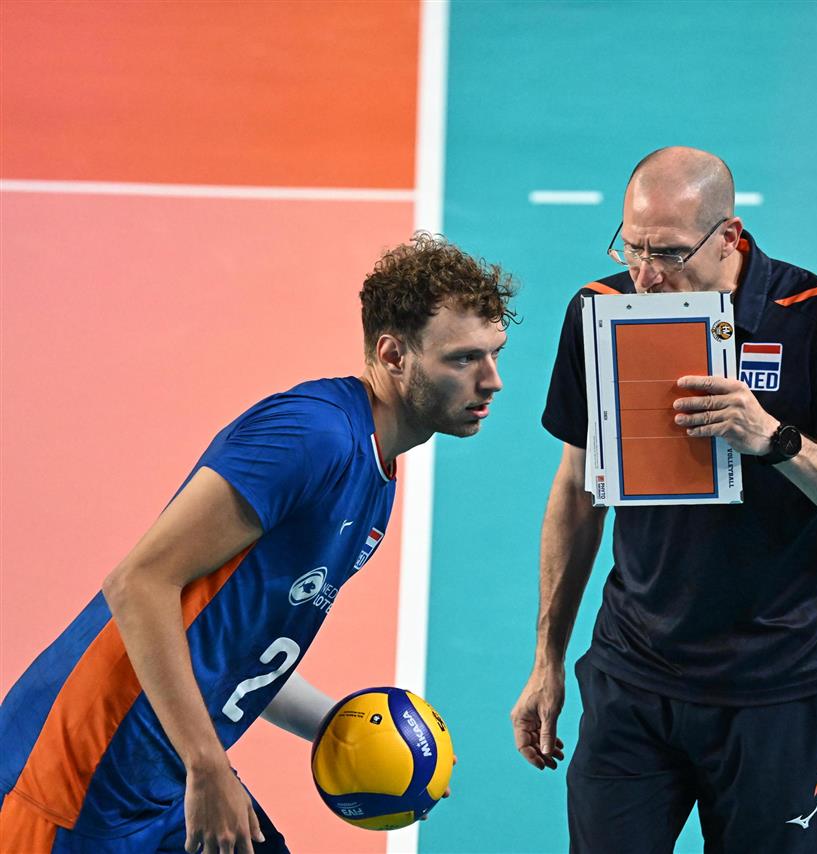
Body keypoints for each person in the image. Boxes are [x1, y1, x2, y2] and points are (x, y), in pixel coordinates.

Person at [0, 233, 514, 854]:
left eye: (494, 353)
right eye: (464, 359)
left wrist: (340, 728)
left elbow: (238, 649)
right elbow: (138, 583)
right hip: (70, 781)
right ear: (393, 354)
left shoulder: (375, 474)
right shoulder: (312, 435)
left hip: (163, 778)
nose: (492, 380)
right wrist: (207, 764)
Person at [511, 147, 817, 854]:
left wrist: (774, 440)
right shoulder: (601, 311)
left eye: (667, 253)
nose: (645, 275)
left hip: (777, 691)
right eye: (631, 247)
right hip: (634, 676)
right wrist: (548, 659)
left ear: (729, 236)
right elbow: (577, 490)